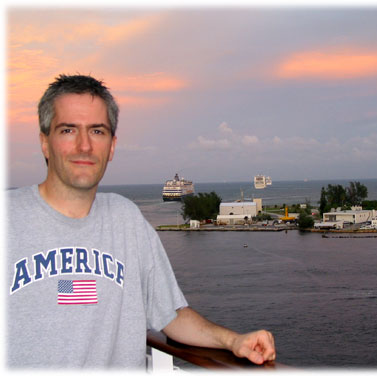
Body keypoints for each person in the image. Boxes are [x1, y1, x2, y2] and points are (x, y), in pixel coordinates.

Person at [7, 74, 276, 368]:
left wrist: (233, 341)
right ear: (45, 143)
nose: (84, 145)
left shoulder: (127, 220)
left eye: (97, 131)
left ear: (111, 147)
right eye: (68, 130)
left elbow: (171, 316)